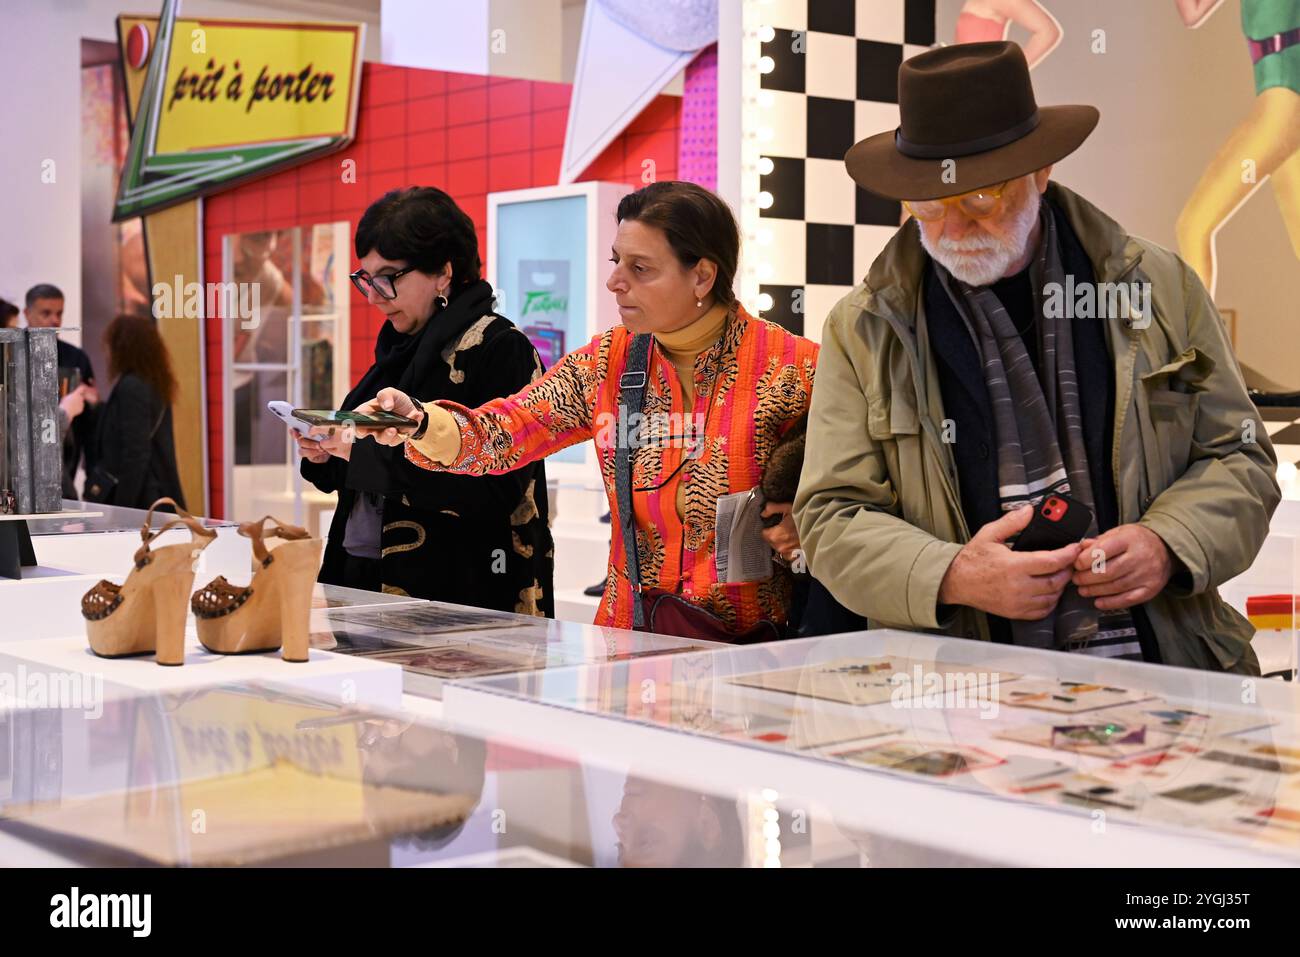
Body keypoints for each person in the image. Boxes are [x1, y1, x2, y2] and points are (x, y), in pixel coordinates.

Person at [796, 42, 1280, 673]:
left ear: (1040, 172)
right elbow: (831, 514)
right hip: (960, 703)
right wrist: (951, 574)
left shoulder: (1159, 286)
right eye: (931, 206)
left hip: (1168, 668)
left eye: (981, 199)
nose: (955, 228)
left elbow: (1238, 455)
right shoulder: (865, 326)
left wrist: (1169, 541)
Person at [355, 181, 820, 640]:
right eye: (618, 261)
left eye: (641, 268)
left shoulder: (797, 371)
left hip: (750, 657)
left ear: (702, 275)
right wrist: (421, 421)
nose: (615, 281)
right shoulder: (608, 363)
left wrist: (811, 519)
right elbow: (509, 430)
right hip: (631, 645)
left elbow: (863, 494)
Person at [297, 186, 554, 615]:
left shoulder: (498, 348)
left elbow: (496, 489)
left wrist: (358, 454)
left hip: (460, 593)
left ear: (443, 273)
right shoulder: (399, 349)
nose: (374, 296)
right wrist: (325, 453)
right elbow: (362, 477)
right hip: (362, 579)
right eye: (365, 278)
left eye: (387, 277)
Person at [86, 315, 185, 510]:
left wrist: (123, 509)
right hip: (150, 495)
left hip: (141, 500)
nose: (107, 353)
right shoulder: (151, 382)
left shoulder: (133, 386)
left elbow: (136, 452)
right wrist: (99, 406)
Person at [24, 284, 98, 499]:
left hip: (65, 464)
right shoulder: (12, 354)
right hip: (23, 464)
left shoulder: (76, 358)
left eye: (59, 313)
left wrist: (94, 402)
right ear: (27, 314)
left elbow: (89, 426)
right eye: (46, 313)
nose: (55, 321)